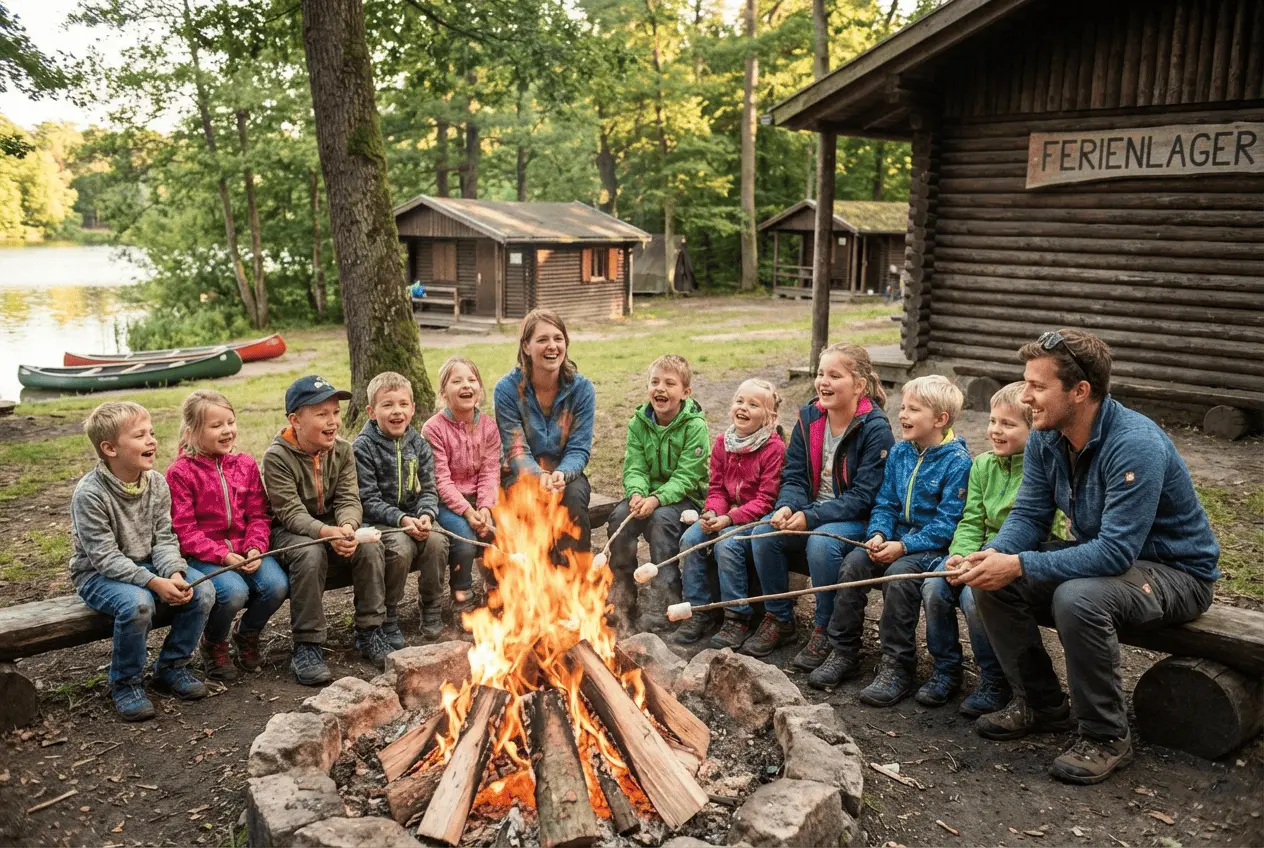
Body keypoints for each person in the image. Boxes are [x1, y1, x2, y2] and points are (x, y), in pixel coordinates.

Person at [949, 329, 1220, 785]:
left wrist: (1019, 563)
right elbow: (1029, 517)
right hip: (1110, 560)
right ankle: (1042, 705)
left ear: (1080, 391)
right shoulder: (1046, 437)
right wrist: (992, 555)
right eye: (1026, 383)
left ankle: (1105, 735)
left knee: (1078, 599)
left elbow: (1115, 552)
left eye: (1038, 386)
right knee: (991, 583)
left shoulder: (1135, 443)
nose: (1027, 397)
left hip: (1176, 573)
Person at [810, 375, 972, 704]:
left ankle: (897, 663)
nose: (903, 415)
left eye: (914, 410)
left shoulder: (958, 463)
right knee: (854, 563)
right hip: (895, 538)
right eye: (903, 408)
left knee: (899, 578)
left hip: (931, 548)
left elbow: (947, 525)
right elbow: (885, 503)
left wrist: (904, 546)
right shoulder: (900, 453)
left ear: (940, 419)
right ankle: (844, 650)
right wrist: (879, 534)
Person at [746, 343, 894, 662]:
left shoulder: (875, 428)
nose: (823, 382)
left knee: (820, 545)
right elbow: (796, 476)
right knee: (763, 535)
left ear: (858, 385)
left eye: (834, 375)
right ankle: (779, 618)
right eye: (820, 373)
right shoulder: (810, 415)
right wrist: (787, 506)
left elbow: (863, 497)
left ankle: (825, 628)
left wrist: (809, 517)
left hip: (858, 519)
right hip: (810, 511)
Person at [70, 401, 214, 721]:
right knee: (138, 604)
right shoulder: (90, 494)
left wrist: (174, 572)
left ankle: (172, 666)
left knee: (202, 590)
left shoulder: (157, 483)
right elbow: (105, 558)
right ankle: (126, 681)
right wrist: (152, 582)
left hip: (147, 563)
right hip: (98, 574)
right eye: (139, 436)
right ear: (110, 448)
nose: (151, 440)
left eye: (151, 433)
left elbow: (164, 539)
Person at [262, 375, 388, 684]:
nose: (332, 421)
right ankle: (308, 645)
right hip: (289, 532)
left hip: (332, 526)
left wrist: (346, 527)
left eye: (335, 412)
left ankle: (370, 630)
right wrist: (326, 533)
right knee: (309, 554)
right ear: (295, 420)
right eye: (321, 414)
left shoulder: (343, 451)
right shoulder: (276, 457)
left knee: (370, 545)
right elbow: (289, 512)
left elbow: (348, 497)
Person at [918, 382, 1033, 716]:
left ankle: (995, 677)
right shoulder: (982, 465)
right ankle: (945, 668)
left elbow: (1043, 529)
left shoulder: (1037, 470)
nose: (996, 431)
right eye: (993, 421)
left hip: (1013, 558)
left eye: (1008, 424)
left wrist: (988, 559)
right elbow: (971, 520)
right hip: (977, 551)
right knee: (935, 583)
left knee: (973, 595)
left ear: (1034, 430)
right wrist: (961, 554)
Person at [167, 390, 288, 681]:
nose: (227, 430)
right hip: (205, 556)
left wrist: (255, 548)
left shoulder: (245, 464)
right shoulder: (180, 473)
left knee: (277, 585)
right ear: (192, 431)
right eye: (216, 425)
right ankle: (214, 641)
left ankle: (246, 634)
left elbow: (259, 514)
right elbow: (184, 530)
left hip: (246, 549)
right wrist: (222, 554)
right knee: (234, 592)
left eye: (230, 422)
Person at [674, 379, 785, 649]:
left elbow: (765, 500)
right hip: (725, 513)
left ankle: (737, 616)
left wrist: (729, 519)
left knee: (727, 543)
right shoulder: (724, 442)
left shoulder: (773, 448)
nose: (743, 408)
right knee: (690, 540)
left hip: (755, 517)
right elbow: (717, 488)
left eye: (753, 405)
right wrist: (713, 511)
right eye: (739, 401)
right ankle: (699, 610)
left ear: (769, 417)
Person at [606, 355, 710, 632]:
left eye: (669, 383)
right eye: (655, 382)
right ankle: (624, 592)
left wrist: (657, 499)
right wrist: (638, 493)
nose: (660, 389)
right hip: (648, 496)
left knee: (661, 522)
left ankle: (667, 599)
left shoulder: (695, 426)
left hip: (686, 499)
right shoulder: (638, 423)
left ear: (685, 393)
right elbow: (634, 467)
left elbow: (687, 476)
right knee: (618, 517)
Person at [353, 372, 450, 644]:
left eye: (403, 404)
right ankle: (390, 614)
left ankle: (431, 606)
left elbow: (429, 489)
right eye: (387, 405)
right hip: (380, 521)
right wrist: (401, 519)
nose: (397, 411)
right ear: (372, 412)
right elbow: (367, 499)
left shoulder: (419, 445)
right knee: (400, 548)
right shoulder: (363, 447)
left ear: (413, 408)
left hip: (414, 518)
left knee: (437, 542)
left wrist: (426, 515)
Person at [494, 309, 596, 560]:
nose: (552, 346)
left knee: (573, 497)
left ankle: (575, 579)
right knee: (525, 500)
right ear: (526, 347)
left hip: (565, 473)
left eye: (558, 338)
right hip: (522, 474)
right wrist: (539, 476)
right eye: (542, 340)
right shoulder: (507, 390)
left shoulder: (582, 390)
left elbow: (579, 448)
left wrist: (563, 473)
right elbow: (515, 449)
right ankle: (533, 577)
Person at [423, 357, 500, 616]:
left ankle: (496, 588)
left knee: (498, 531)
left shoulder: (488, 427)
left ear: (479, 388)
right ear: (444, 392)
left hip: (480, 499)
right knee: (465, 540)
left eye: (471, 379)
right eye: (457, 381)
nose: (466, 385)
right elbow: (440, 480)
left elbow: (490, 471)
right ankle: (462, 596)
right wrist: (467, 511)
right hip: (447, 502)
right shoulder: (433, 429)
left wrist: (485, 506)